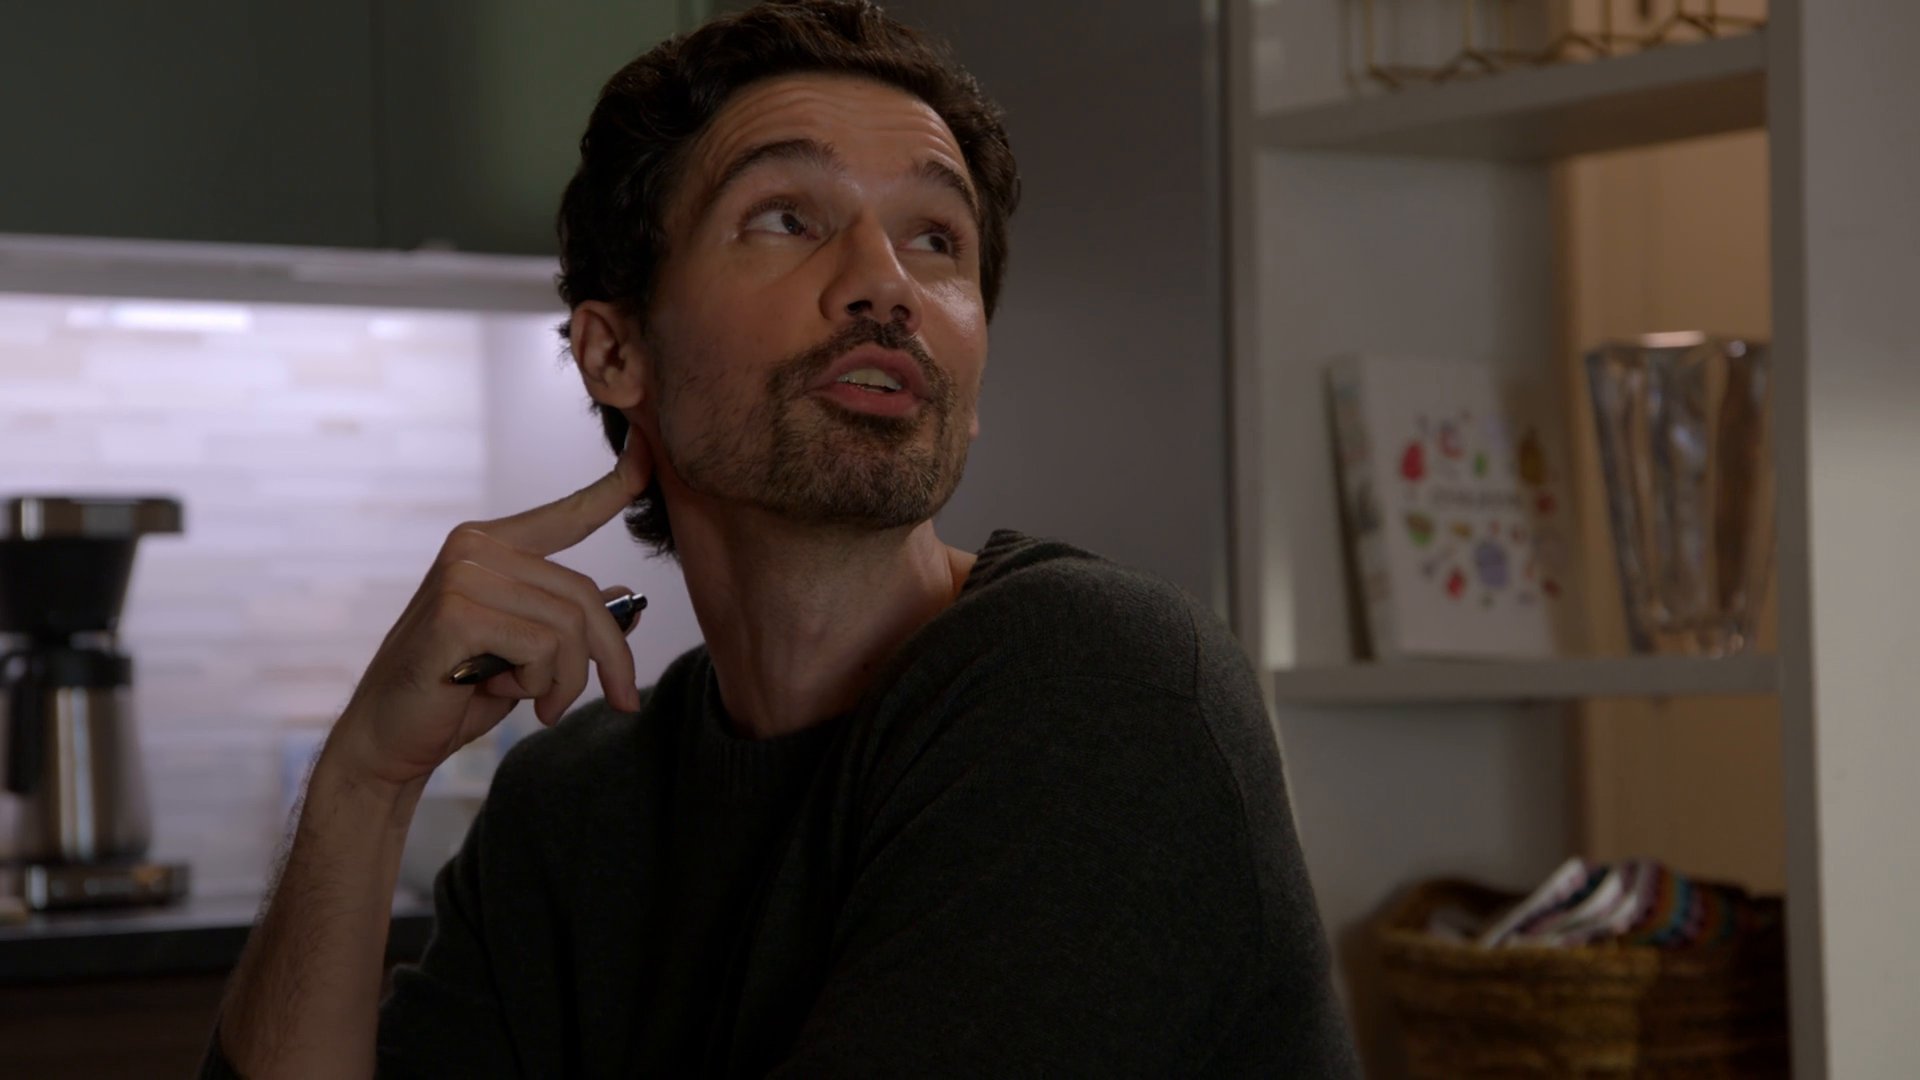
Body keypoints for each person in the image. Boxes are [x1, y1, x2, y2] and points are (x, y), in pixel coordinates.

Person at [204, 2, 1357, 1076]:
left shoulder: (1102, 687)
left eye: (936, 240)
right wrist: (363, 784)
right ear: (616, 353)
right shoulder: (569, 813)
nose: (886, 286)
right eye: (787, 218)